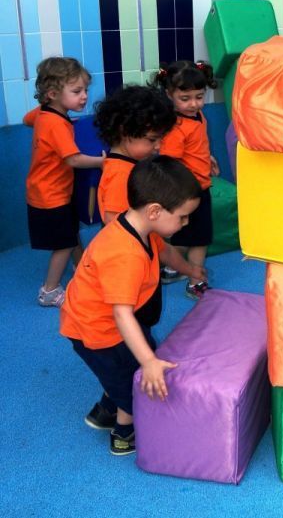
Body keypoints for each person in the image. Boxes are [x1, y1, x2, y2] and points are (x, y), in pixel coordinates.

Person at [60, 156, 206, 455]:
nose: (186, 222)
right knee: (134, 382)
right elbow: (121, 313)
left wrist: (192, 269)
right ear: (154, 211)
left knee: (135, 358)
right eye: (182, 217)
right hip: (97, 330)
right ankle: (124, 434)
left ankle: (103, 412)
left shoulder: (142, 229)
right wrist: (149, 363)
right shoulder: (124, 254)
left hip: (109, 320)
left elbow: (166, 256)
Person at [24, 57, 104, 307]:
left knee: (70, 233)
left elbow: (29, 119)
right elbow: (74, 161)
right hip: (51, 195)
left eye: (85, 90)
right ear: (52, 94)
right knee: (63, 243)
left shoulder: (46, 112)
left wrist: (60, 123)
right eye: (77, 91)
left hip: (47, 190)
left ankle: (81, 267)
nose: (84, 97)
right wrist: (103, 161)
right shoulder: (56, 123)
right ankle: (49, 290)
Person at [151, 60, 219, 299]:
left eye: (199, 96)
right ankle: (195, 282)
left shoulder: (198, 116)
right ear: (170, 95)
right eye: (185, 98)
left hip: (197, 184)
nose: (194, 104)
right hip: (191, 191)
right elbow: (169, 163)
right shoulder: (177, 127)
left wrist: (206, 157)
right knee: (200, 239)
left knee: (183, 233)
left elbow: (196, 145)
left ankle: (170, 268)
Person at [94, 85, 177, 223]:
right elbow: (115, 225)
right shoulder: (121, 174)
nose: (158, 146)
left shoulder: (127, 165)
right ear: (125, 131)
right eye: (152, 139)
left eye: (161, 139)